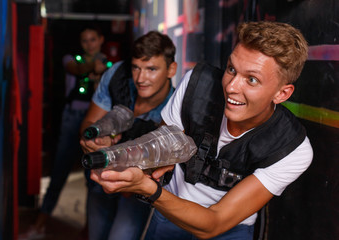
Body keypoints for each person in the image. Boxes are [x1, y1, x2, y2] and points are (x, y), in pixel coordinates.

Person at [89, 21, 313, 240]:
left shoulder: (292, 149)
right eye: (231, 69)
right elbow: (161, 147)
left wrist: (148, 189)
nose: (231, 87)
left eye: (252, 79)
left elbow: (213, 224)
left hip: (227, 229)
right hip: (168, 215)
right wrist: (125, 158)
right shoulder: (197, 85)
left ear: (282, 94)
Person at [79, 31, 177, 240]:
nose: (141, 78)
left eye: (151, 69)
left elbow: (157, 170)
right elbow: (88, 123)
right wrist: (95, 139)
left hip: (135, 188)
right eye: (136, 68)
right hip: (100, 173)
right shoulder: (117, 75)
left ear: (171, 69)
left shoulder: (173, 110)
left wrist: (134, 177)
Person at [19, 25, 108, 240]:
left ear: (100, 40)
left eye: (92, 39)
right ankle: (40, 225)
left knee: (93, 179)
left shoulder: (107, 64)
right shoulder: (72, 59)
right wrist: (93, 67)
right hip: (72, 119)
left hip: (96, 122)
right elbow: (75, 69)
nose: (89, 44)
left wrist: (102, 70)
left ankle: (89, 231)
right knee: (59, 173)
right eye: (85, 40)